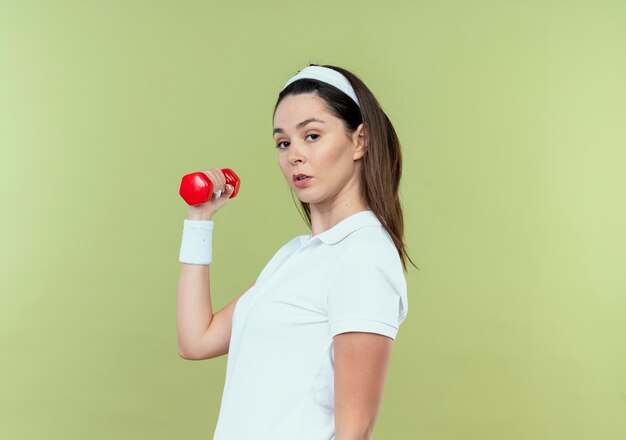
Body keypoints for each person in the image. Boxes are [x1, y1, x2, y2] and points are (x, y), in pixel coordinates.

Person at [176, 64, 415, 439]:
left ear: (359, 140)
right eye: (284, 143)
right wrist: (199, 220)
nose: (294, 155)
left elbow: (355, 432)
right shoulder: (297, 255)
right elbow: (196, 340)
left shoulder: (363, 257)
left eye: (313, 135)